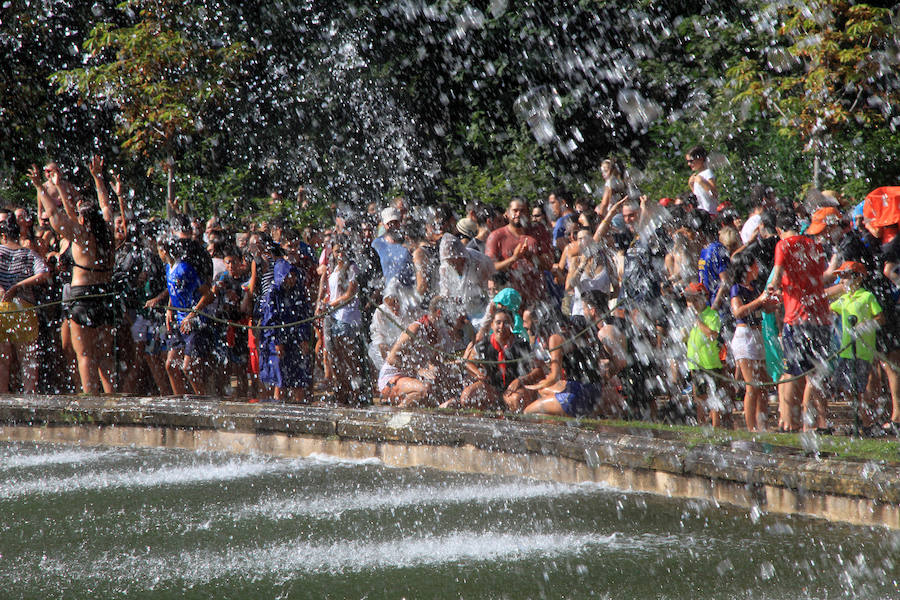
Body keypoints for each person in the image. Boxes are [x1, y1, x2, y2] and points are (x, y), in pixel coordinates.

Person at [31, 163, 117, 394]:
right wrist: (99, 179)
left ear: (83, 219)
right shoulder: (108, 234)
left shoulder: (81, 236)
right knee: (106, 356)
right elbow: (106, 206)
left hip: (83, 299)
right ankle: (114, 403)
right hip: (106, 296)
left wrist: (41, 187)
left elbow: (54, 216)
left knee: (86, 356)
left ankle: (90, 406)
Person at [767, 211, 832, 432]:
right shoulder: (815, 245)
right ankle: (811, 423)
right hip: (821, 318)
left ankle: (793, 422)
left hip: (797, 319)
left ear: (778, 231)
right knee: (815, 371)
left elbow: (776, 276)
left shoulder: (783, 245)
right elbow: (824, 276)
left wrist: (771, 290)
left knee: (794, 372)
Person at [524, 291, 627, 417]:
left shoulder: (555, 338)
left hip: (577, 397)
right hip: (594, 393)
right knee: (546, 405)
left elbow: (554, 377)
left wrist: (531, 386)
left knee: (527, 412)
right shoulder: (574, 332)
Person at [442, 307, 540, 410]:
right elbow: (468, 363)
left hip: (515, 389)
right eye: (498, 322)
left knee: (516, 400)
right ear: (492, 325)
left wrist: (520, 380)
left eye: (506, 323)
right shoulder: (483, 345)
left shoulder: (521, 345)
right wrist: (478, 373)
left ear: (512, 325)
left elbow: (538, 370)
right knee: (467, 397)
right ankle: (485, 416)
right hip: (492, 389)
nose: (501, 326)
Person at [828, 261, 883, 434]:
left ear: (858, 278)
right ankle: (861, 420)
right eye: (841, 276)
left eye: (845, 276)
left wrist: (865, 326)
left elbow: (880, 318)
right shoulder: (843, 299)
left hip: (862, 352)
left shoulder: (867, 297)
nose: (842, 280)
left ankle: (867, 424)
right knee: (843, 386)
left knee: (859, 389)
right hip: (846, 351)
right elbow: (827, 305)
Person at [0, 215, 50, 393]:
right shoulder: (29, 253)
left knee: (2, 360)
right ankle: (30, 401)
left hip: (1, 310)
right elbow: (44, 273)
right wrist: (19, 286)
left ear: (3, 235)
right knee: (28, 360)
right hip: (24, 308)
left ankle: (3, 402)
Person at [728, 253, 775, 431]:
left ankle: (762, 425)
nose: (757, 268)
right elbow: (738, 312)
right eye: (755, 265)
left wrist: (771, 300)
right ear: (746, 268)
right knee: (752, 386)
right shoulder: (736, 289)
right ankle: (750, 428)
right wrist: (759, 300)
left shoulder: (754, 287)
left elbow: (766, 308)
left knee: (763, 385)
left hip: (757, 335)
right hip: (744, 337)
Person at [258, 259, 312, 403]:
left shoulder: (298, 290)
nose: (292, 279)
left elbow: (304, 316)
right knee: (279, 378)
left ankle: (300, 408)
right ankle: (278, 408)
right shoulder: (273, 292)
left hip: (296, 337)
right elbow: (270, 321)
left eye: (294, 275)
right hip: (278, 339)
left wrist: (304, 339)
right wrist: (277, 342)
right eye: (289, 276)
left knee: (299, 377)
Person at [684, 282, 731, 428]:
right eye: (688, 300)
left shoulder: (712, 315)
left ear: (702, 298)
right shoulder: (691, 317)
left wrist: (697, 321)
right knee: (699, 399)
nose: (690, 303)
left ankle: (716, 429)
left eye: (692, 299)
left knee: (713, 400)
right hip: (695, 364)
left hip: (710, 364)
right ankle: (702, 429)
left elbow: (713, 335)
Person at [485, 199, 545, 306]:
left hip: (535, 297)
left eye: (522, 211)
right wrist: (514, 258)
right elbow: (489, 267)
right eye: (515, 210)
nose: (518, 214)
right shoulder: (496, 237)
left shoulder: (538, 233)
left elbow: (549, 265)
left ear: (528, 213)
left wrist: (531, 257)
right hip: (507, 298)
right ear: (507, 214)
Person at [437, 233, 495, 323]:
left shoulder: (478, 262)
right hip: (464, 307)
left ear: (461, 256)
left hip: (481, 304)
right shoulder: (445, 267)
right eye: (450, 263)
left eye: (455, 262)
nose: (454, 266)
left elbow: (490, 289)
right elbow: (445, 293)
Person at [685, 145, 717, 216]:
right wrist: (691, 185)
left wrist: (701, 182)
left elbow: (714, 194)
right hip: (701, 214)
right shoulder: (696, 176)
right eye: (687, 161)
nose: (689, 164)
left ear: (700, 159)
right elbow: (699, 197)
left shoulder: (708, 173)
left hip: (710, 213)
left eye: (691, 161)